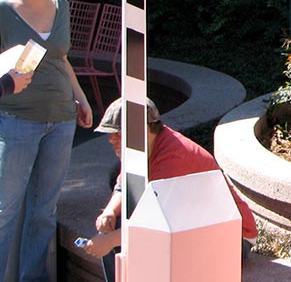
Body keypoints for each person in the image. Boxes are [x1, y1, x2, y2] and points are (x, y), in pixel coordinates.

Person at [82, 98, 258, 279]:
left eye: (118, 133)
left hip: (233, 238)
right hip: (194, 227)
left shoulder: (173, 157)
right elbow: (123, 185)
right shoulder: (142, 147)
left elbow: (153, 223)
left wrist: (110, 241)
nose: (111, 139)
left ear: (142, 129)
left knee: (132, 243)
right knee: (116, 231)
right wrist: (109, 212)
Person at [0, 0, 93, 282]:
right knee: (5, 209)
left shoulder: (61, 5)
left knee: (44, 210)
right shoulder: (3, 10)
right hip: (16, 119)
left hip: (61, 117)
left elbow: (61, 58)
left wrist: (81, 98)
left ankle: (33, 278)